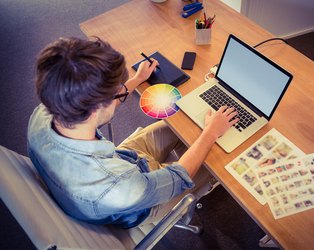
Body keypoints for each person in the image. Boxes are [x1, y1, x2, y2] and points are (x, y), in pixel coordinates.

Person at [27, 37, 238, 228]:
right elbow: (177, 178)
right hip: (141, 199)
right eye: (116, 92)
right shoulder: (118, 186)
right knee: (219, 159)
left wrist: (136, 80)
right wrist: (210, 134)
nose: (121, 91)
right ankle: (210, 176)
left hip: (123, 162)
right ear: (95, 109)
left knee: (181, 123)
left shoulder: (44, 114)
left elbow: (92, 106)